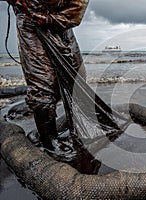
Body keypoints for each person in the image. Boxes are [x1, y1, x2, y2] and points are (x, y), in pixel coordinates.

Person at [5, 0, 89, 157]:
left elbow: (79, 4)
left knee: (77, 78)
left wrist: (51, 19)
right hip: (31, 23)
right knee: (43, 82)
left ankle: (78, 128)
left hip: (62, 24)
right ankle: (49, 141)